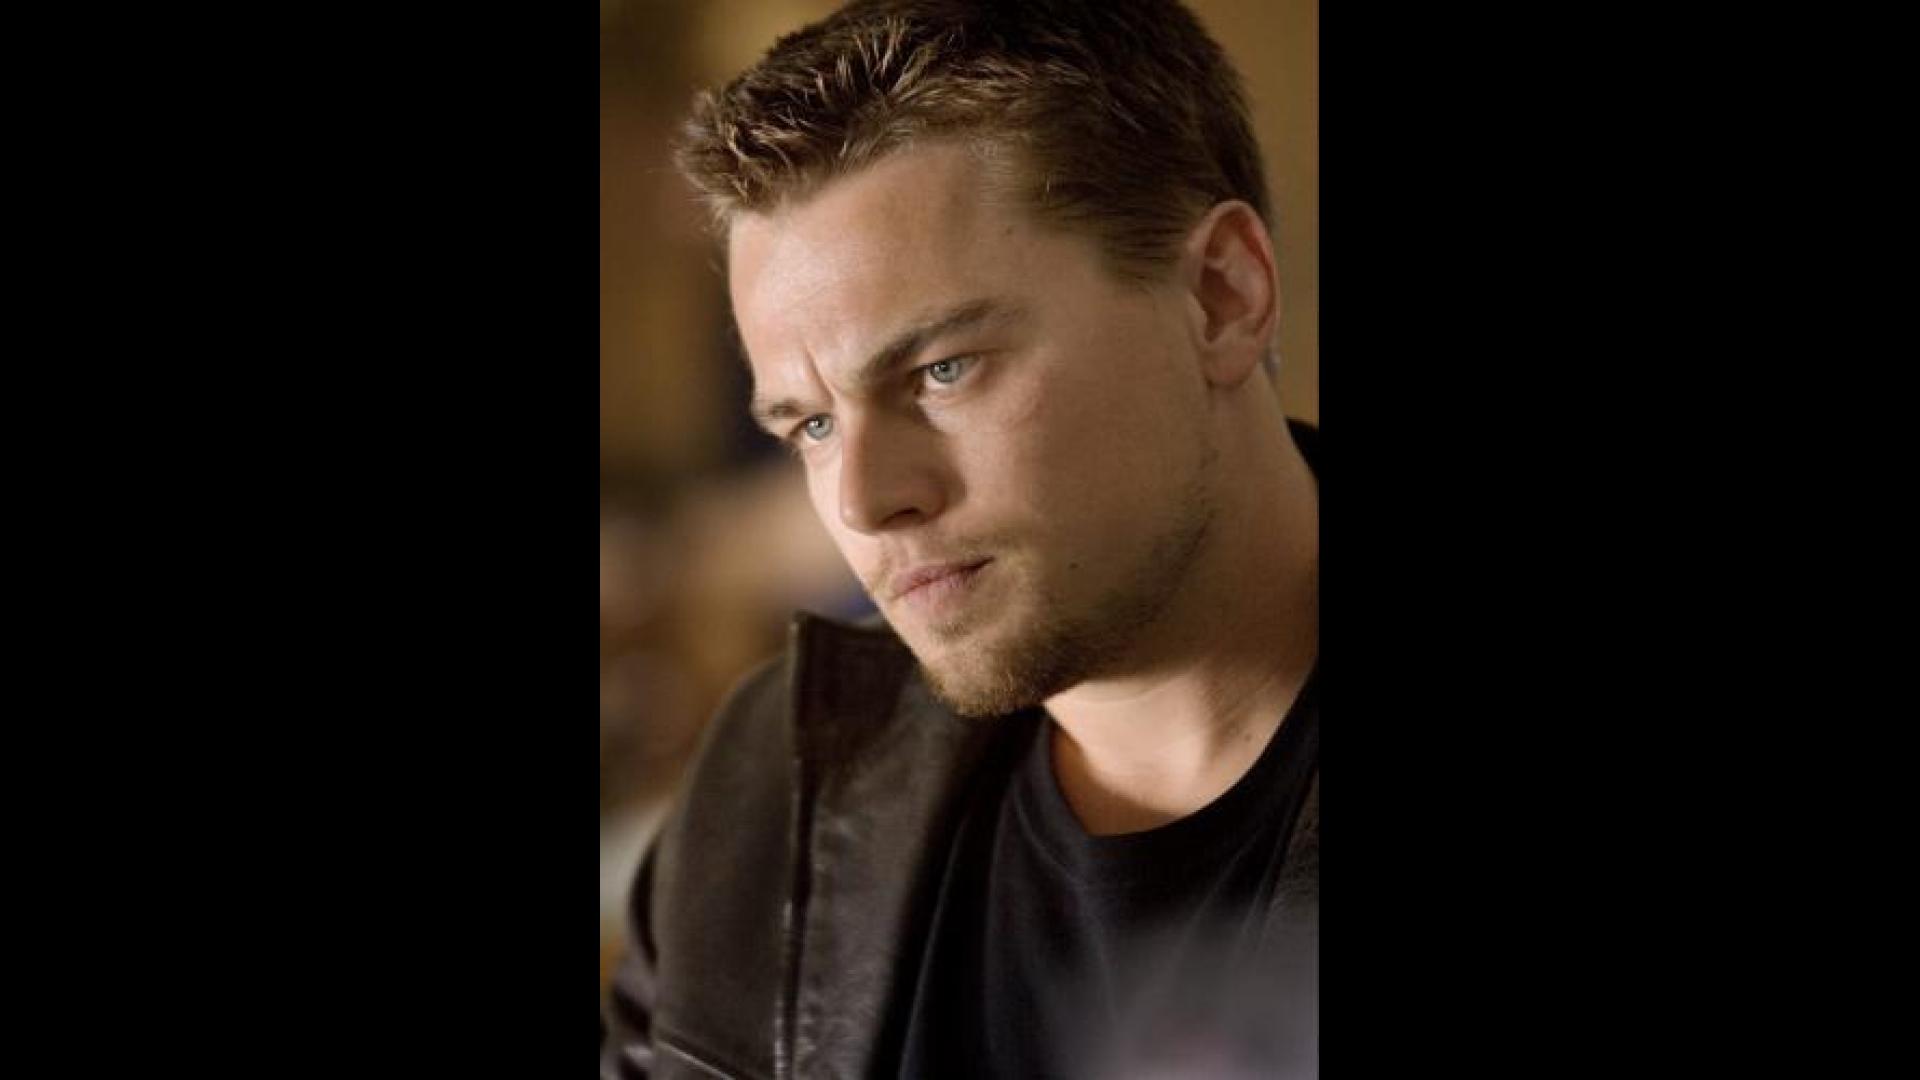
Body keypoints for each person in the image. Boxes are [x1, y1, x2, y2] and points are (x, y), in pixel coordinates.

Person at [602, 1, 1318, 1075]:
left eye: (943, 370)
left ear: (1223, 296)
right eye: (810, 425)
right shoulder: (770, 788)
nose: (859, 502)